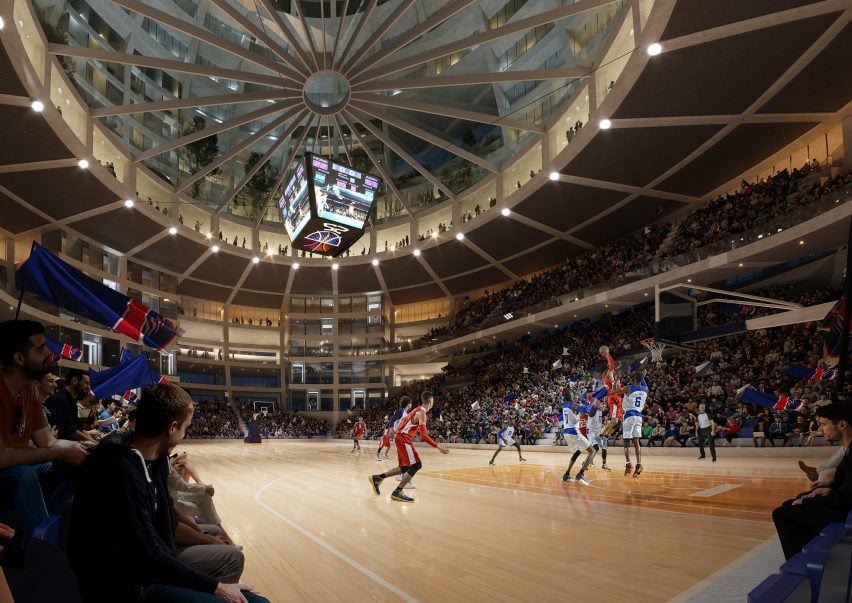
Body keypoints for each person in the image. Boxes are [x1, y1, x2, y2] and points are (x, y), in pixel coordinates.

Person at [69, 383, 268, 602]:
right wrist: (215, 587)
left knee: (246, 586)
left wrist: (206, 541)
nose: (185, 434)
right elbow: (148, 554)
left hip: (152, 565)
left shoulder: (154, 459)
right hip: (128, 584)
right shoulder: (117, 468)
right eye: (186, 427)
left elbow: (168, 520)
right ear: (172, 427)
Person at [0, 320, 89, 538]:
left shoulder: (29, 389)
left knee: (78, 464)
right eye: (40, 349)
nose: (49, 353)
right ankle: (44, 546)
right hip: (11, 470)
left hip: (17, 467)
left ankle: (49, 527)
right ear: (19, 358)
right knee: (24, 475)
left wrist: (81, 447)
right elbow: (2, 457)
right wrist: (60, 452)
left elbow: (48, 442)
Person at [772, 402, 852, 560]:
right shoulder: (848, 451)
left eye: (824, 424)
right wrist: (829, 486)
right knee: (793, 502)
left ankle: (801, 561)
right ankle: (811, 549)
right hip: (845, 504)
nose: (821, 429)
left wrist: (806, 501)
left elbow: (844, 499)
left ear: (842, 425)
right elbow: (845, 483)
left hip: (847, 513)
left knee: (781, 513)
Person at [369, 391, 448, 502]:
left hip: (399, 437)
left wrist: (398, 431)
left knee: (405, 467)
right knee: (417, 465)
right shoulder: (421, 413)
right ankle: (397, 491)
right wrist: (438, 446)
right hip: (403, 438)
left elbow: (403, 421)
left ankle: (377, 478)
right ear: (430, 402)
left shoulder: (415, 410)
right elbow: (424, 436)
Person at [617, 368, 649, 478]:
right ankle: (639, 464)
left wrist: (615, 381)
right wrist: (642, 373)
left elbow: (615, 391)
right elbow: (642, 380)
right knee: (636, 442)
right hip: (639, 416)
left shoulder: (628, 388)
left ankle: (628, 464)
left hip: (629, 415)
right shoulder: (646, 389)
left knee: (626, 441)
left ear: (634, 378)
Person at [560, 393, 597, 486]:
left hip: (566, 433)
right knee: (592, 451)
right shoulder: (573, 405)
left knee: (577, 452)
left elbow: (579, 410)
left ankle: (566, 474)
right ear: (570, 397)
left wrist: (584, 403)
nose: (575, 396)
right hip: (573, 432)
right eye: (573, 395)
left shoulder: (565, 406)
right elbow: (585, 410)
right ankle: (580, 474)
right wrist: (592, 403)